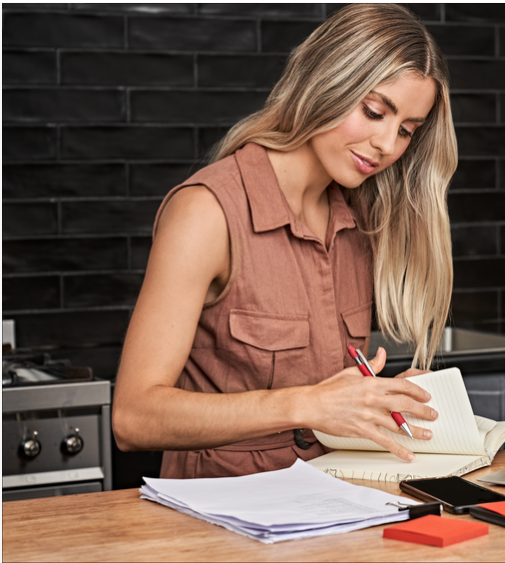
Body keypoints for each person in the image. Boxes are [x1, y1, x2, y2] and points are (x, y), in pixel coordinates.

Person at [112, 4, 457, 479]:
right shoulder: (206, 213)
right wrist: (307, 404)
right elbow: (134, 419)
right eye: (374, 111)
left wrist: (378, 400)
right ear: (325, 83)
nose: (386, 145)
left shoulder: (357, 222)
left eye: (405, 132)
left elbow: (324, 401)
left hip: (331, 508)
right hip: (218, 524)